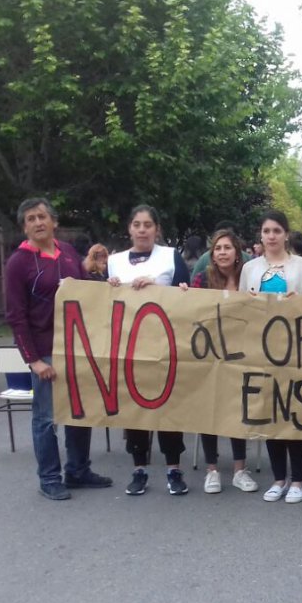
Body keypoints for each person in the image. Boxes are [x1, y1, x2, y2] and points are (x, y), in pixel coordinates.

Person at [4, 197, 113, 500]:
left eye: (41, 216)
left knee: (80, 411)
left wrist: (98, 275)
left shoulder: (66, 252)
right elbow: (16, 316)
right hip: (46, 351)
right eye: (30, 219)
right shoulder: (18, 263)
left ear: (54, 221)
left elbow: (83, 291)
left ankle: (78, 470)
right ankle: (50, 477)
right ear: (24, 227)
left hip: (77, 348)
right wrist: (33, 360)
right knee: (46, 417)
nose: (37, 223)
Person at [107, 205, 192, 496]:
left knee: (168, 408)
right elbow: (107, 305)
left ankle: (173, 468)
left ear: (157, 229)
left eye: (147, 224)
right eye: (136, 224)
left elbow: (187, 295)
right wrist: (110, 288)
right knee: (135, 410)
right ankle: (139, 469)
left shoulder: (171, 257)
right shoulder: (114, 262)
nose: (142, 230)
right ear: (129, 229)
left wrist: (158, 286)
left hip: (165, 347)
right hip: (129, 348)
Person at [241, 211, 302, 503]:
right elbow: (241, 308)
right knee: (271, 414)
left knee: (294, 413)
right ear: (260, 235)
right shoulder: (250, 268)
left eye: (276, 230)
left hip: (297, 348)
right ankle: (278, 478)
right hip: (262, 351)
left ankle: (298, 480)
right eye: (266, 231)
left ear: (286, 234)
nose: (271, 236)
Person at [190, 229, 259, 492]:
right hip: (208, 356)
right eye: (217, 248)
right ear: (211, 253)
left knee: (237, 410)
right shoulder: (201, 279)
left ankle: (240, 470)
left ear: (237, 252)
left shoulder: (249, 279)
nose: (222, 252)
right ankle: (212, 470)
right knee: (209, 411)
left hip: (243, 355)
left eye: (227, 247)